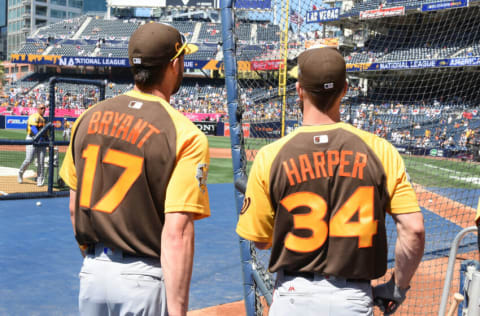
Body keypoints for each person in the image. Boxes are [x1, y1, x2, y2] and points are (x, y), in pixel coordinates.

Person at [236, 47, 425, 316]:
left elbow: (261, 241)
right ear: (345, 89)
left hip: (292, 296)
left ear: (299, 90)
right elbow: (414, 230)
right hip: (352, 298)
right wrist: (399, 286)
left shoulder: (271, 156)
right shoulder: (380, 150)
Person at [59, 22, 210, 316]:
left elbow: (75, 209)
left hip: (93, 273)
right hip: (143, 278)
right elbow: (176, 234)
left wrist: (95, 257)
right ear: (174, 64)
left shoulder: (87, 118)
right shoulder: (185, 133)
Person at [18, 104, 47, 186]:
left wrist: (46, 140)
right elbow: (33, 128)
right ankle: (20, 173)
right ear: (38, 109)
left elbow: (45, 133)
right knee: (29, 159)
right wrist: (39, 137)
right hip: (32, 139)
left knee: (41, 161)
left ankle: (39, 179)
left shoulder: (43, 120)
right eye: (42, 108)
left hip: (41, 141)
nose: (43, 110)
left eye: (44, 108)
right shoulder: (34, 116)